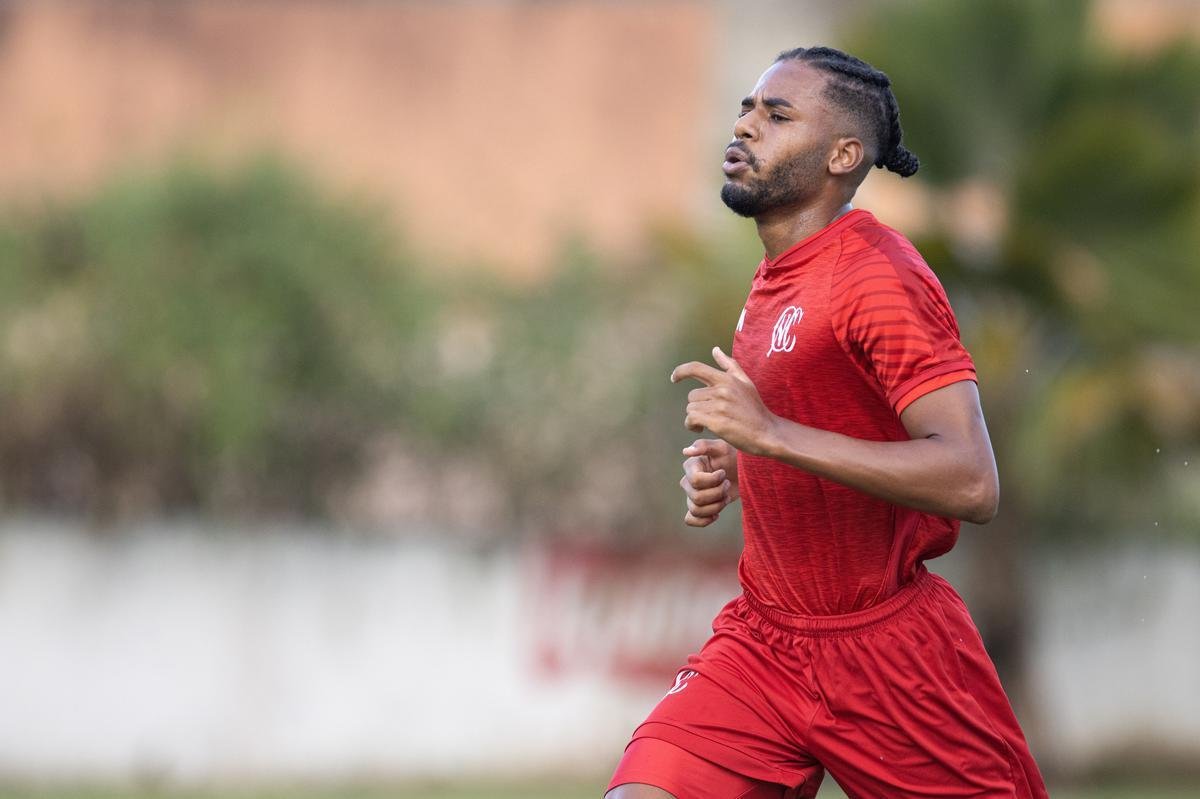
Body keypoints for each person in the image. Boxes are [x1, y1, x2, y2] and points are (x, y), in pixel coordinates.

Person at [604, 47, 1048, 799]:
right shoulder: (776, 277)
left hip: (893, 659)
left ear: (844, 154)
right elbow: (829, 427)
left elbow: (972, 479)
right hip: (763, 643)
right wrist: (742, 465)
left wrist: (772, 435)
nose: (745, 125)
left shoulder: (879, 274)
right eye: (747, 108)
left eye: (777, 115)